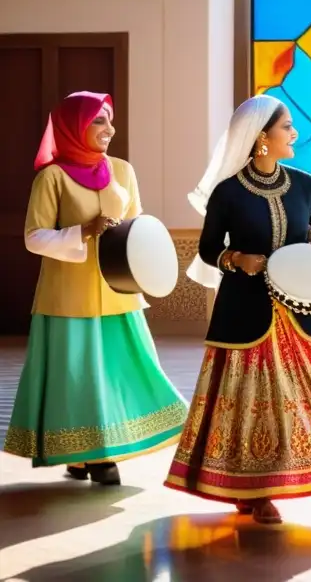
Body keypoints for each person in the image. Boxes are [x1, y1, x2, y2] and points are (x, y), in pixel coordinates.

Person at [164, 95, 311, 524]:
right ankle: (255, 489)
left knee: (297, 400)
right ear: (261, 137)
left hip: (297, 311)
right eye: (287, 127)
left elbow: (308, 230)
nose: (294, 133)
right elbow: (208, 250)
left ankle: (280, 479)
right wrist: (236, 260)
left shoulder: (304, 184)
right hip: (245, 311)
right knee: (252, 401)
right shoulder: (228, 192)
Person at [3, 92, 187, 484]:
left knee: (125, 371)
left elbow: (136, 225)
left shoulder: (123, 170)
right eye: (98, 120)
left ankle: (99, 451)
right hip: (67, 295)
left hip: (118, 290)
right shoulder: (51, 177)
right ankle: (92, 455)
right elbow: (34, 237)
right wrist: (83, 231)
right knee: (78, 378)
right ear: (74, 126)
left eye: (110, 119)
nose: (109, 129)